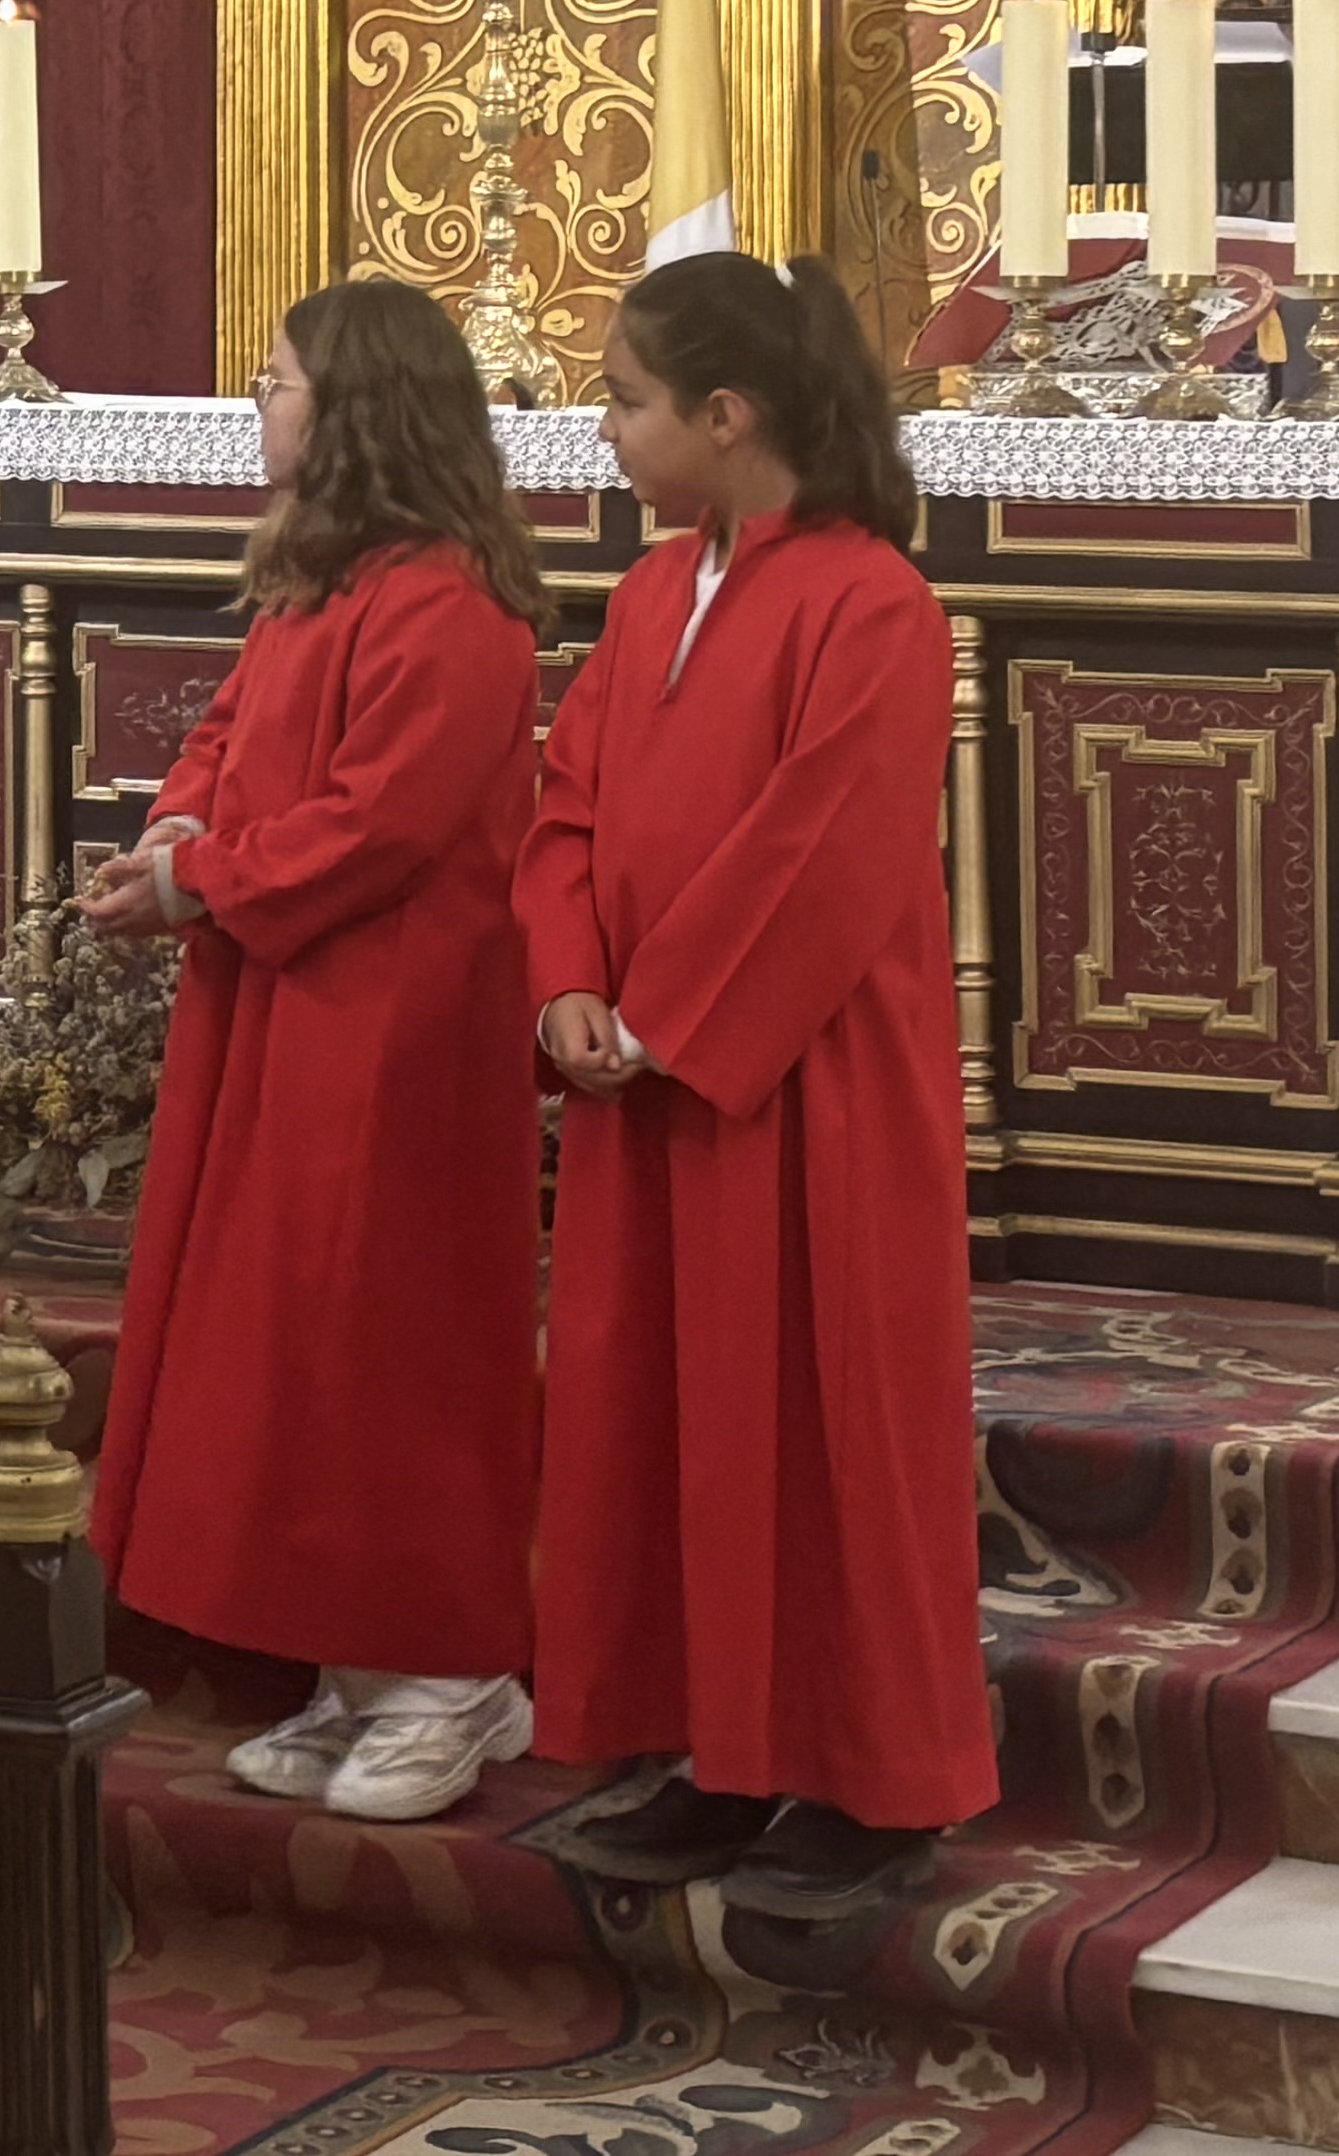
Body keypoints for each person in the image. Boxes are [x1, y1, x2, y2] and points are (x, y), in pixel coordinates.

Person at [527, 253, 994, 1921]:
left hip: (804, 1082)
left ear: (725, 416)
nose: (607, 423)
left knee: (829, 1410)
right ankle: (713, 1743)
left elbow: (830, 842)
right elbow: (566, 793)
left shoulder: (869, 600)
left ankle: (874, 1775)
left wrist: (664, 1012)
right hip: (649, 1077)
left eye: (627, 397)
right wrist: (567, 969)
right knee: (665, 1410)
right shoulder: (654, 591)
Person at [70, 279, 547, 1826]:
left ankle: (456, 1672)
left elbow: (381, 821)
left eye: (276, 382)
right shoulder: (318, 584)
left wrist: (199, 881)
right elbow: (226, 733)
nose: (255, 407)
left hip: (394, 1029)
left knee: (387, 1337)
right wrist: (178, 829)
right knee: (293, 1336)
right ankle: (357, 1665)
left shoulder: (449, 603)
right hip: (284, 1008)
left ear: (355, 413)